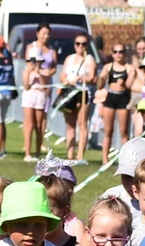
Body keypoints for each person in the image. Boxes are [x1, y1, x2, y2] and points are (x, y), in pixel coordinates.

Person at [60, 33, 97, 162]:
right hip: (70, 92)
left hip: (82, 92)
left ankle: (80, 155)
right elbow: (62, 75)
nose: (81, 46)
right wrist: (66, 80)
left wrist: (81, 78)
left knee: (82, 124)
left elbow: (92, 77)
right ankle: (70, 154)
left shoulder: (89, 59)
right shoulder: (69, 58)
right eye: (78, 43)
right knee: (70, 124)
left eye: (84, 44)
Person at [97, 43, 136, 165]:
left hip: (122, 99)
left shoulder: (129, 68)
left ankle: (125, 160)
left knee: (123, 131)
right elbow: (99, 86)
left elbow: (128, 86)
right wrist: (102, 78)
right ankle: (105, 160)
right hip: (110, 98)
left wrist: (123, 83)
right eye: (115, 52)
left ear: (125, 53)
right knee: (108, 130)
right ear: (112, 53)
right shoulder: (108, 67)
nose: (118, 54)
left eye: (121, 52)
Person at [25, 24, 58, 150]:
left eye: (48, 33)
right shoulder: (31, 47)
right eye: (43, 33)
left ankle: (40, 142)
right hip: (33, 85)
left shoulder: (51, 50)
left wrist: (50, 72)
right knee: (30, 119)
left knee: (43, 115)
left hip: (46, 85)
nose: (46, 36)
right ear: (37, 33)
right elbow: (27, 64)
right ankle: (28, 146)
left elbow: (54, 66)